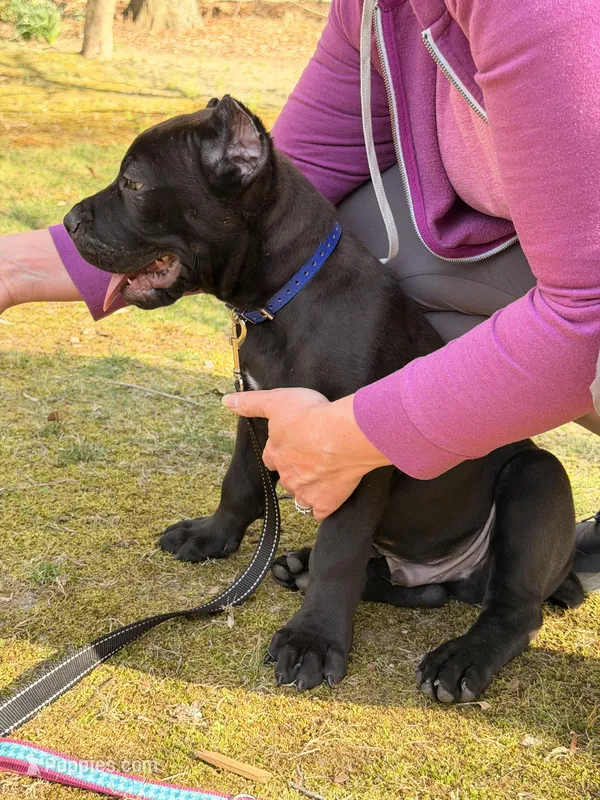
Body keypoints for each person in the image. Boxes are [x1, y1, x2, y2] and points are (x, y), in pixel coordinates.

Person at [2, 0, 599, 589]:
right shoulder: (372, 11)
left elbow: (586, 318)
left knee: (341, 265)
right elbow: (284, 185)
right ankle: (436, 487)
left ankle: (486, 529)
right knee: (325, 240)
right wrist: (15, 268)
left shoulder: (544, 11)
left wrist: (351, 436)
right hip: (517, 254)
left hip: (583, 297)